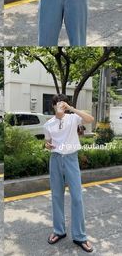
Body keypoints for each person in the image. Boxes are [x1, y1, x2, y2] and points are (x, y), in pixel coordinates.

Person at [43, 94, 94, 253]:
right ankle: (59, 231)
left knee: (77, 198)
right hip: (56, 159)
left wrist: (71, 108)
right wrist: (47, 146)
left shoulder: (73, 118)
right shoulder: (48, 124)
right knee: (56, 196)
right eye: (57, 103)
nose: (60, 105)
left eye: (63, 103)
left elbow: (90, 119)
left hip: (71, 159)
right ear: (53, 106)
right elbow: (48, 143)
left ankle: (80, 236)